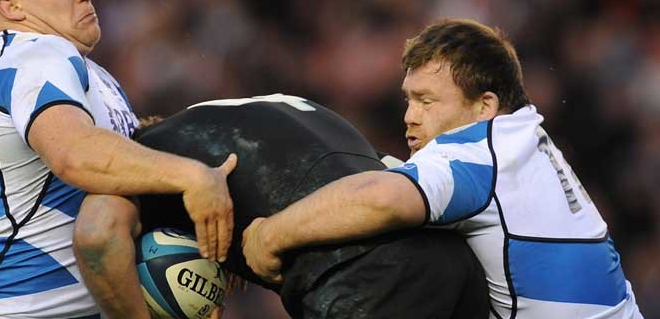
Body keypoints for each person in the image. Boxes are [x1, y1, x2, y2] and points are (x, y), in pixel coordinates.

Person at [242, 19, 644, 319]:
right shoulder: (523, 134)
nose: (410, 117)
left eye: (427, 101)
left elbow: (380, 200)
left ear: (484, 106)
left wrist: (271, 233)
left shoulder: (477, 152)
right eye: (408, 100)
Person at [0, 0, 236, 319]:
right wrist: (193, 177)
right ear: (13, 8)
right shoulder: (31, 55)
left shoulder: (92, 76)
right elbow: (74, 154)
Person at [78, 94, 489, 318]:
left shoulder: (149, 163)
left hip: (369, 288)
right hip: (458, 269)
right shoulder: (273, 110)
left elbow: (96, 235)